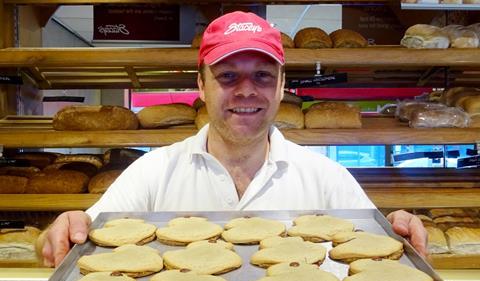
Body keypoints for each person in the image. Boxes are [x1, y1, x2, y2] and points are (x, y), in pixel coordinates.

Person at [40, 11, 428, 267]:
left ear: (280, 88)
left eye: (262, 76)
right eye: (227, 76)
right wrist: (67, 227)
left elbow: (378, 246)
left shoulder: (327, 178)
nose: (246, 91)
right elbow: (84, 234)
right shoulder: (153, 173)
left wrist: (396, 228)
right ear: (201, 86)